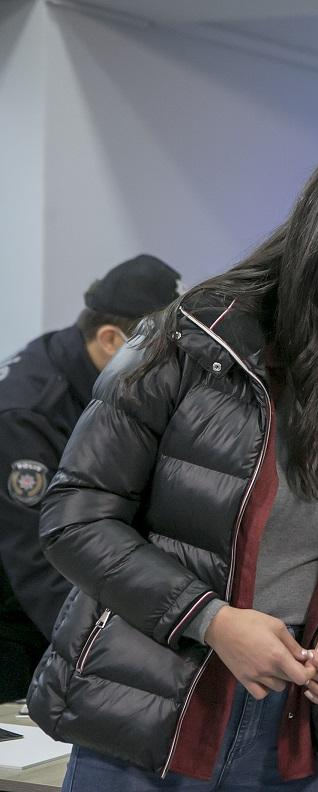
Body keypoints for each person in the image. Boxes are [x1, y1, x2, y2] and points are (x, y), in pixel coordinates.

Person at [26, 154, 318, 791]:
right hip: (152, 714)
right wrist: (213, 620)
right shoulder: (187, 344)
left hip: (296, 729)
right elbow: (73, 519)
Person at [0, 254, 180, 701]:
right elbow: (40, 558)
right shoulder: (30, 413)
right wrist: (110, 662)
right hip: (18, 625)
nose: (174, 366)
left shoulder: (100, 382)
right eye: (164, 352)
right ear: (110, 339)